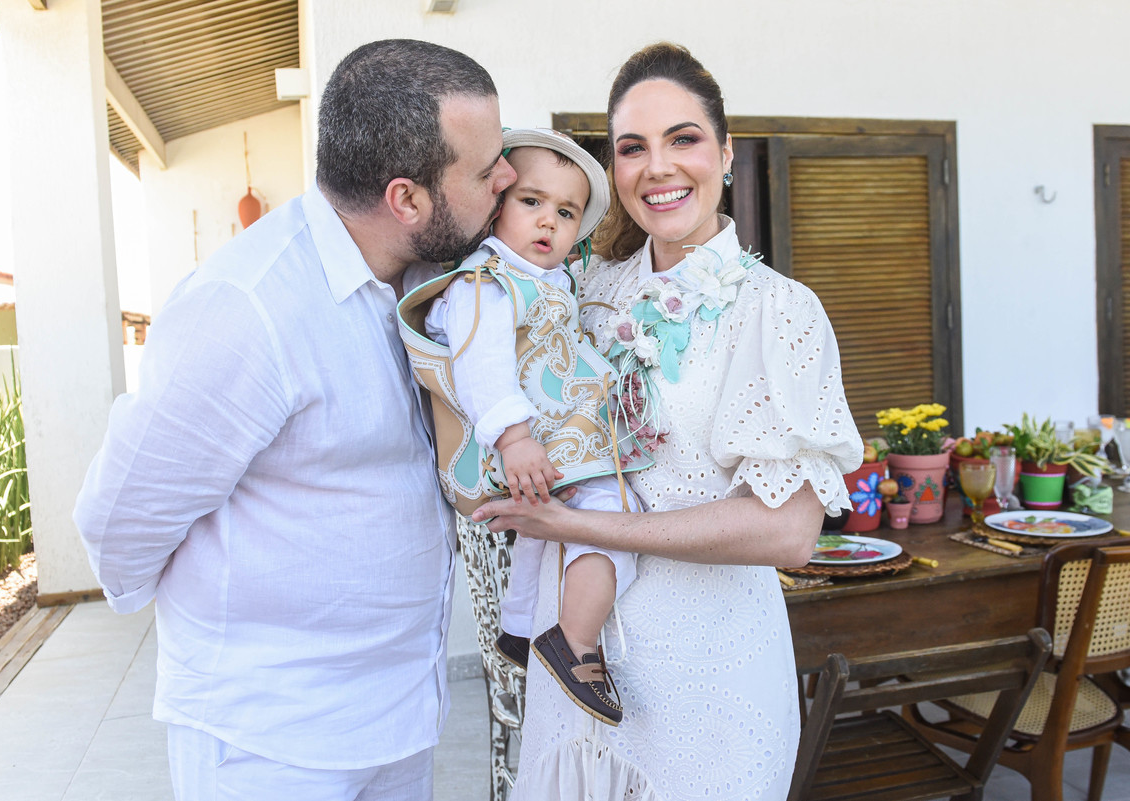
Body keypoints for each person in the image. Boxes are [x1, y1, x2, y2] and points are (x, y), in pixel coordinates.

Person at [73, 39, 514, 800]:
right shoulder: (246, 308)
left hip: (401, 720)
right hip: (271, 743)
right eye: (486, 170)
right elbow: (119, 524)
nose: (507, 178)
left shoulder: (437, 285)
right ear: (406, 200)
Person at [473, 43, 864, 800]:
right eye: (632, 148)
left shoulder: (778, 311)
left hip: (708, 680)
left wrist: (578, 525)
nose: (658, 167)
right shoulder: (583, 291)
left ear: (726, 152)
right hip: (573, 675)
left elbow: (788, 532)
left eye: (683, 139)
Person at [410, 128, 646, 726]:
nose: (548, 221)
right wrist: (514, 439)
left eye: (566, 212)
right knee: (614, 514)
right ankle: (576, 643)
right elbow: (480, 365)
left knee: (543, 524)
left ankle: (518, 629)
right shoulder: (487, 284)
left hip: (553, 441)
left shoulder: (548, 281)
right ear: (496, 205)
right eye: (531, 201)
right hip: (526, 441)